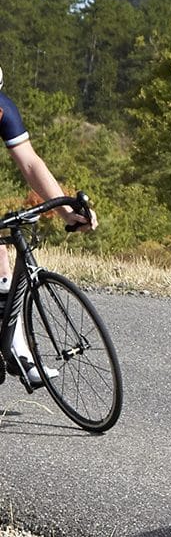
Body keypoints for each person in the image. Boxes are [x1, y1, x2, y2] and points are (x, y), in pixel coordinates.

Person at [1, 65, 97, 388]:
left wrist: (67, 211)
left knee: (2, 255)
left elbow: (30, 163)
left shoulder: (4, 109)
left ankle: (18, 351)